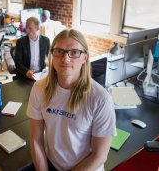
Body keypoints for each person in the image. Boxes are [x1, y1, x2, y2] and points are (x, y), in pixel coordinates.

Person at [27, 29, 116, 170]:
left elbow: (99, 156)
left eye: (74, 52)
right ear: (52, 55)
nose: (65, 59)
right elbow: (36, 140)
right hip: (53, 165)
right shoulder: (39, 89)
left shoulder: (100, 99)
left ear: (85, 57)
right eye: (59, 51)